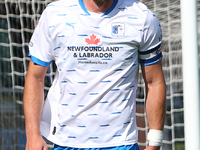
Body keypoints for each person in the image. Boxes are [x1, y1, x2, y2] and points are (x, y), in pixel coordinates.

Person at [23, 0, 166, 150]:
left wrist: (155, 142)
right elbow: (35, 77)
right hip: (66, 141)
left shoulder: (142, 18)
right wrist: (33, 135)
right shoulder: (55, 14)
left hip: (120, 143)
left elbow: (154, 82)